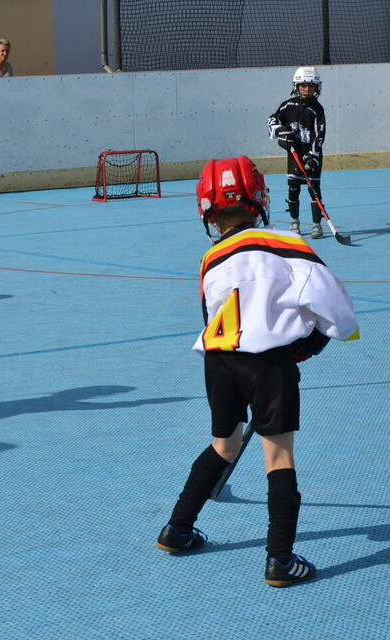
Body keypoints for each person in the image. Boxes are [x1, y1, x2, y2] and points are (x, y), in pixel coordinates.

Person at [154, 156, 359, 587]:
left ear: (207, 210)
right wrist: (316, 342)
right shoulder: (287, 243)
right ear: (260, 198)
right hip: (268, 364)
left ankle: (177, 529)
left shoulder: (211, 257)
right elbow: (335, 307)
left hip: (218, 359)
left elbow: (212, 314)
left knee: (224, 444)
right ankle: (280, 560)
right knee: (278, 455)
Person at [267, 66, 326, 238]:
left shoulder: (317, 109)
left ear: (316, 87)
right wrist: (280, 131)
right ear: (296, 86)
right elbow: (272, 120)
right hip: (294, 155)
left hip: (311, 156)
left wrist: (313, 157)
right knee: (293, 188)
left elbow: (320, 134)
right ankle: (294, 223)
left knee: (314, 189)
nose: (307, 89)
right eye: (303, 86)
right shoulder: (287, 105)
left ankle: (317, 225)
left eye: (311, 86)